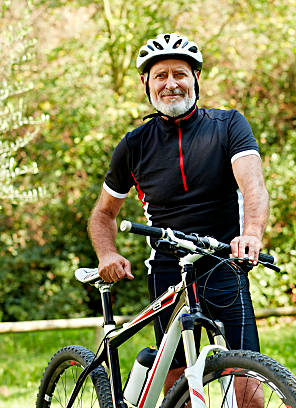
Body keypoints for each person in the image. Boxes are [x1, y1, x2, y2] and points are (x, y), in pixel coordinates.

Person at [87, 32, 269, 405]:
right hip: (167, 267)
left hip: (223, 260)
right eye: (161, 75)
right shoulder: (134, 145)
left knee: (249, 387)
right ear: (146, 84)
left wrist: (250, 233)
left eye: (180, 74)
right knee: (175, 391)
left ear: (196, 79)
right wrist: (107, 254)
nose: (171, 83)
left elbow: (254, 187)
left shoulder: (229, 126)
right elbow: (103, 213)